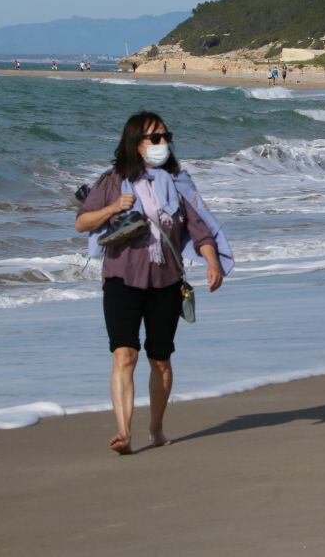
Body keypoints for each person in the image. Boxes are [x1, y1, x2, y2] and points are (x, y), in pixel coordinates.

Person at [75, 112, 229, 453]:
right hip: (121, 279)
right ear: (135, 144)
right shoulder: (111, 182)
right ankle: (124, 433)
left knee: (160, 358)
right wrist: (113, 207)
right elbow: (82, 222)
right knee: (124, 355)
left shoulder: (177, 183)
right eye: (155, 138)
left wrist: (213, 263)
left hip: (166, 282)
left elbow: (200, 229)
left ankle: (156, 429)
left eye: (166, 136)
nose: (163, 143)